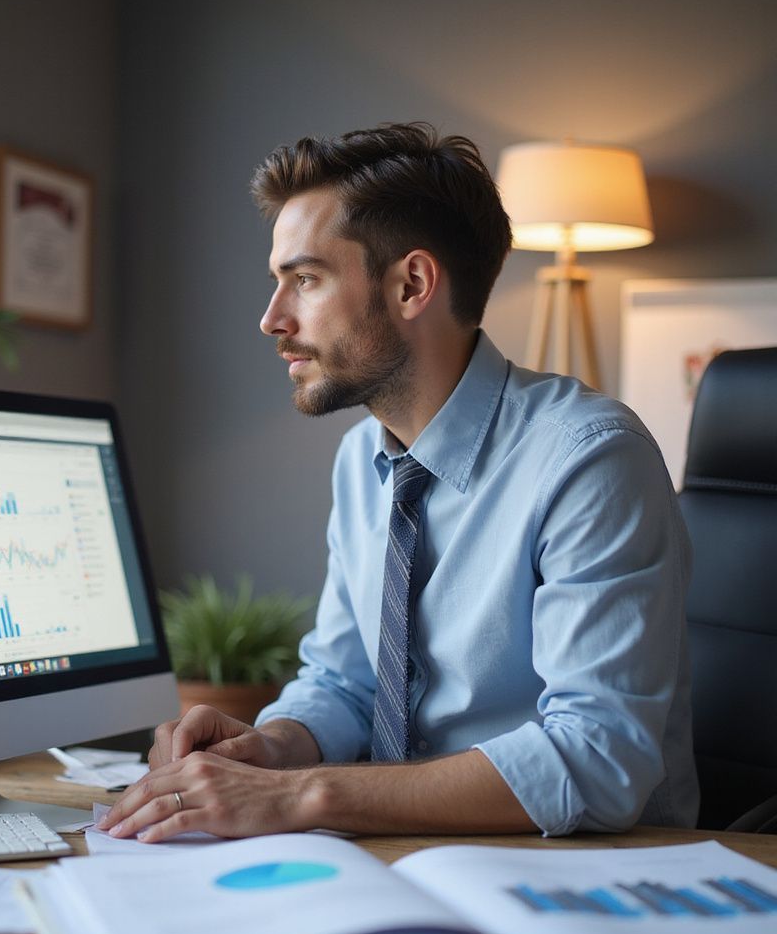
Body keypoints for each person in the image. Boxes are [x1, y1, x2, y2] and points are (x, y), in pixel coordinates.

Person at [99, 123, 699, 842]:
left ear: (411, 284)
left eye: (306, 279)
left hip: (582, 882)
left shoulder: (590, 458)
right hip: (398, 861)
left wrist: (303, 797)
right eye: (276, 282)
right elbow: (345, 681)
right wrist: (273, 747)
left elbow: (598, 759)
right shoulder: (363, 461)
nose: (272, 319)